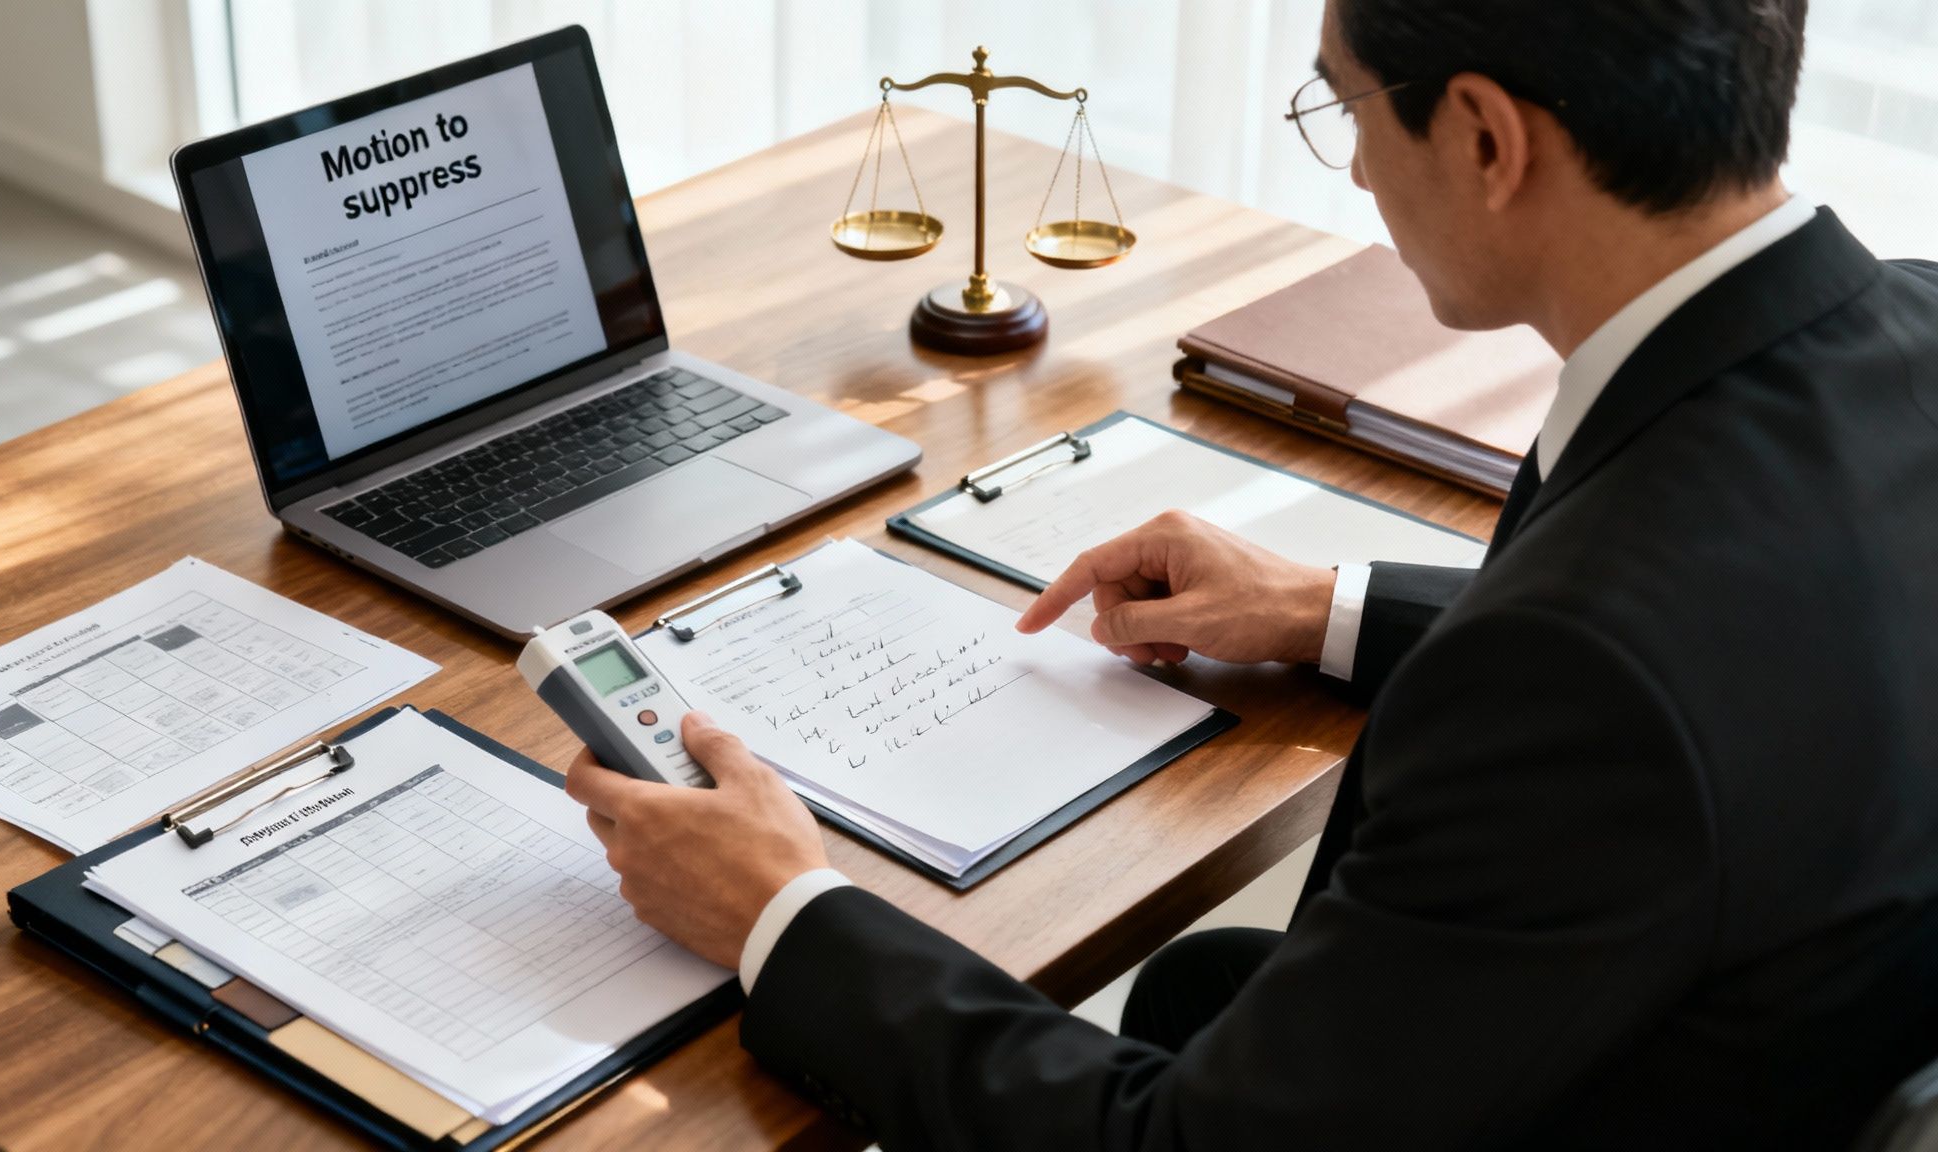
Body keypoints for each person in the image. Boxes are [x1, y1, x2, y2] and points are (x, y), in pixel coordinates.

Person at [566, 1, 1938, 1146]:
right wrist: (1321, 609)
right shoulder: (1908, 334)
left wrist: (784, 916)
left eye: (1345, 107)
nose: (1349, 169)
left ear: (1482, 135)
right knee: (1202, 983)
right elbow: (1717, 658)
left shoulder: (1577, 682)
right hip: (1754, 1028)